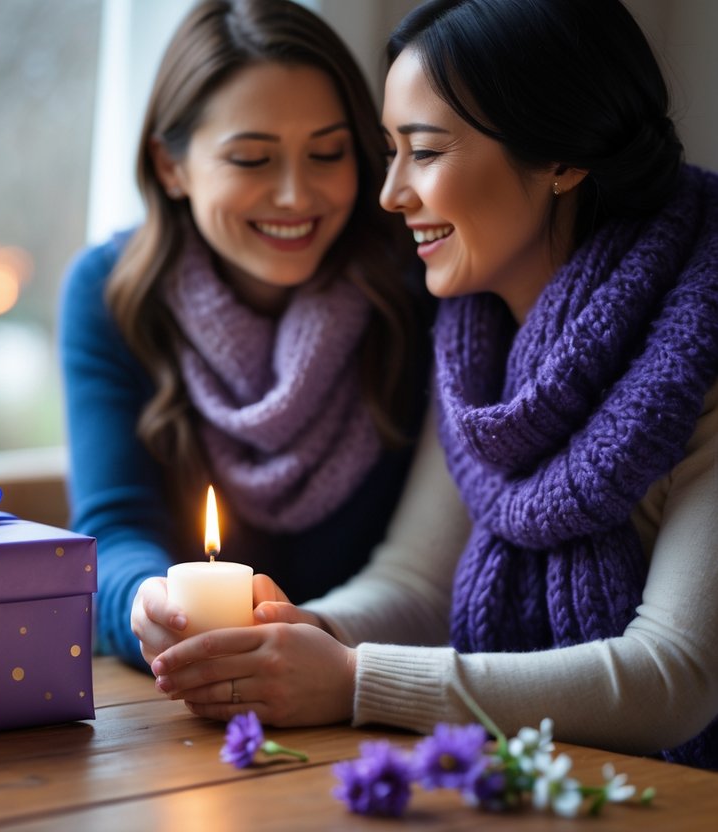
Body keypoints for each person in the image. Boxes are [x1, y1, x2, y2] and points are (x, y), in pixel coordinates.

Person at [149, 0, 718, 769]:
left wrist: (356, 682)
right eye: (386, 151)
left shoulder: (696, 333)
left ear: (560, 157)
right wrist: (293, 637)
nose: (389, 193)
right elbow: (417, 583)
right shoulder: (476, 341)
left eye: (422, 151)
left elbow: (673, 678)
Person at [59, 0, 430, 670]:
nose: (295, 195)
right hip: (181, 707)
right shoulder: (109, 295)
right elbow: (112, 528)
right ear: (170, 167)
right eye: (252, 159)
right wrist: (143, 606)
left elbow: (425, 570)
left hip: (370, 681)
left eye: (327, 152)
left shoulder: (415, 291)